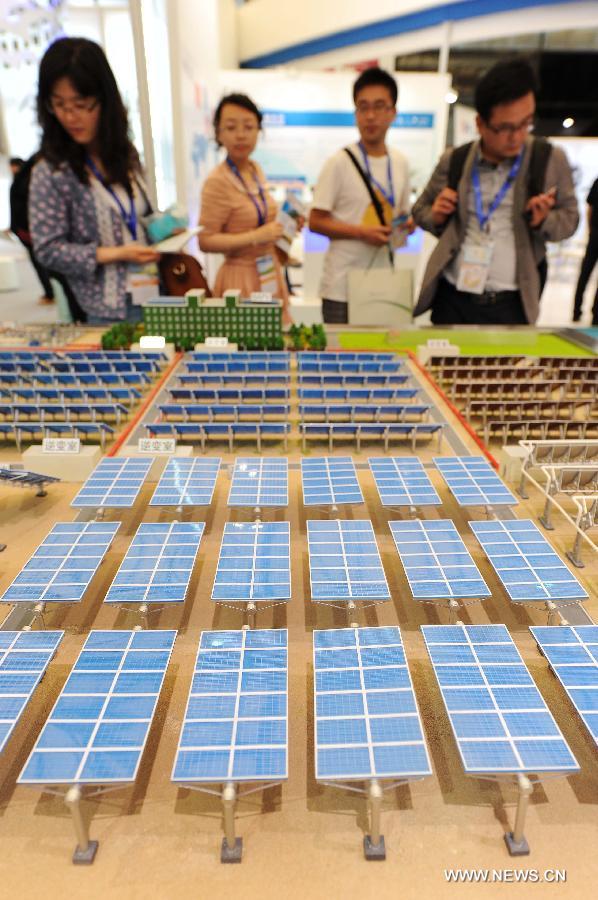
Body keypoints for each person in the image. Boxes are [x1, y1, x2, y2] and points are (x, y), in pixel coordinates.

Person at [412, 58, 578, 325]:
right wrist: (437, 215)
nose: (517, 136)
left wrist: (543, 220)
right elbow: (420, 210)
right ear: (480, 124)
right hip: (453, 298)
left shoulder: (548, 159)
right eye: (506, 128)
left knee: (508, 368)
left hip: (513, 302)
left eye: (526, 123)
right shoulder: (455, 160)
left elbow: (570, 220)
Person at [28, 37, 160, 325]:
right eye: (59, 104)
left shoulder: (125, 154)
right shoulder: (50, 171)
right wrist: (116, 253)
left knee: (162, 365)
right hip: (104, 308)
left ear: (104, 99)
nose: (71, 116)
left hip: (152, 294)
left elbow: (139, 216)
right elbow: (48, 249)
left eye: (82, 104)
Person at [309, 67, 411, 325]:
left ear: (393, 112)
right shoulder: (339, 162)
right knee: (337, 362)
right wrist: (362, 233)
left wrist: (406, 226)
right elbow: (316, 221)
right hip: (341, 288)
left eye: (379, 106)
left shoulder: (399, 163)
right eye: (362, 107)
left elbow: (400, 215)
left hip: (383, 283)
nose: (370, 116)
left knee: (383, 360)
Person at [198, 93, 289, 321]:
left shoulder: (255, 169)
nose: (241, 135)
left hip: (268, 270)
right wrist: (256, 236)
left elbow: (262, 221)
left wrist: (285, 226)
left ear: (259, 130)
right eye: (231, 127)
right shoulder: (217, 180)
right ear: (218, 133)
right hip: (239, 278)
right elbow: (205, 240)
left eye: (249, 127)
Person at [9, 155, 55, 304]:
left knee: (51, 268)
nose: (12, 170)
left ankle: (51, 294)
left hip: (36, 233)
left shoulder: (29, 182)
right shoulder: (19, 183)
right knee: (40, 266)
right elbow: (16, 210)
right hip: (27, 232)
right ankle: (49, 294)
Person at [572, 177, 598, 323]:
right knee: (585, 274)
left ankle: (596, 314)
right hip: (595, 234)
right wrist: (590, 230)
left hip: (593, 233)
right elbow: (590, 207)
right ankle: (576, 311)